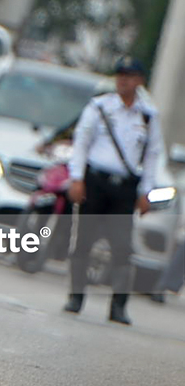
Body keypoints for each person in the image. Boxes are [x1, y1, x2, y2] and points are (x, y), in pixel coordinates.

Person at [65, 56, 163, 325]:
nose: (123, 80)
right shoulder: (100, 107)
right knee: (83, 241)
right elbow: (81, 143)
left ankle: (118, 306)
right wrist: (76, 178)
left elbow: (153, 155)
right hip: (95, 182)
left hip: (125, 188)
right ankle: (76, 297)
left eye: (130, 76)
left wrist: (146, 192)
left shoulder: (148, 115)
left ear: (140, 81)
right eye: (120, 75)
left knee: (122, 247)